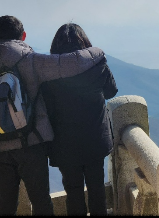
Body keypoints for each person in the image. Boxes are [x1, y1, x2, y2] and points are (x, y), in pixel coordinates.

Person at [0, 16, 106, 216]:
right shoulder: (30, 61)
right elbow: (70, 63)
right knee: (41, 203)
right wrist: (97, 51)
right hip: (31, 144)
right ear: (23, 36)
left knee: (5, 207)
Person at [40, 23, 117, 216]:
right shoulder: (98, 64)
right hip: (95, 139)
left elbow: (45, 107)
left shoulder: (48, 73)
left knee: (73, 191)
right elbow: (111, 91)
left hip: (64, 143)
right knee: (97, 187)